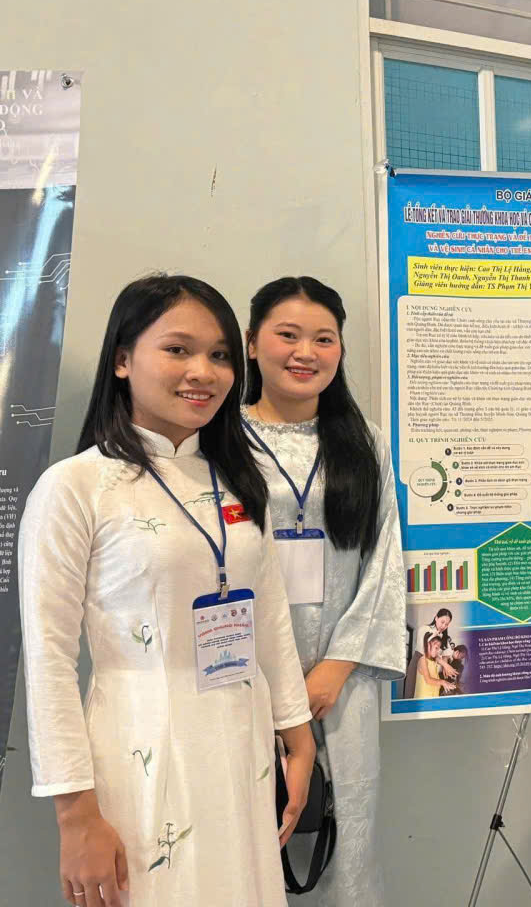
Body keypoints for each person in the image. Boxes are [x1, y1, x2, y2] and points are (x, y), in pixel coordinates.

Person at [19, 276, 314, 907]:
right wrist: (75, 814)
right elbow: (48, 658)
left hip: (241, 738)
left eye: (220, 354)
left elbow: (270, 615)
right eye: (178, 349)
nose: (203, 372)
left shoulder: (240, 481)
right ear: (123, 359)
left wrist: (296, 728)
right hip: (140, 742)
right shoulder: (75, 486)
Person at [241, 276, 407, 907]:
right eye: (287, 335)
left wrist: (337, 667)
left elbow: (384, 559)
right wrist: (275, 683)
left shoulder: (365, 444)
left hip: (342, 682)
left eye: (324, 338)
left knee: (347, 840)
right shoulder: (219, 439)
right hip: (245, 677)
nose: (305, 352)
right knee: (248, 835)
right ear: (252, 342)